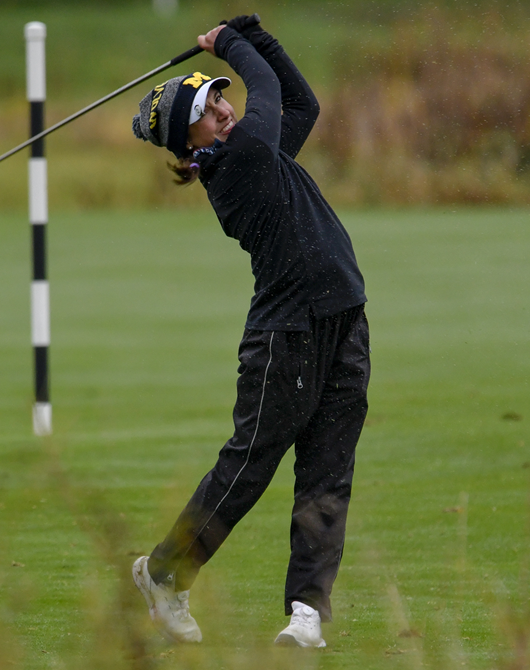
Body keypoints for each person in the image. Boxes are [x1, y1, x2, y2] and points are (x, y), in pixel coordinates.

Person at [129, 15, 370, 649]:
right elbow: (263, 87)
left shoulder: (254, 149)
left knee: (328, 470)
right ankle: (163, 574)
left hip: (343, 319)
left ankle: (306, 611)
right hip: (285, 337)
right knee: (250, 467)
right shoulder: (234, 164)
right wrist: (234, 44)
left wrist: (255, 35)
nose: (224, 112)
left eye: (219, 98)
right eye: (208, 112)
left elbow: (303, 103)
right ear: (191, 144)